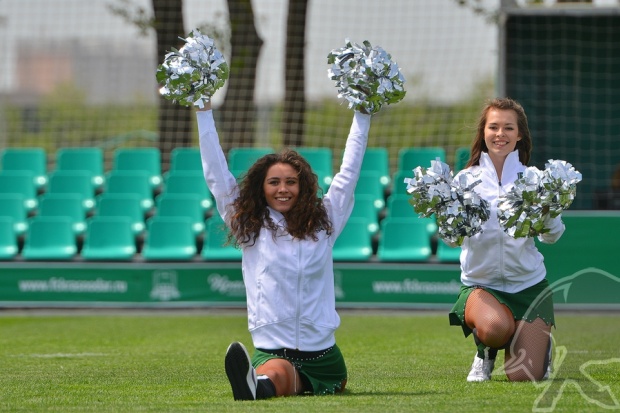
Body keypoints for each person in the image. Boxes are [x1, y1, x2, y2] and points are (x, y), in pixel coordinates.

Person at [196, 101, 371, 400]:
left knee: (296, 379)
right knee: (278, 374)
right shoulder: (249, 226)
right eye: (274, 182)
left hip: (324, 356)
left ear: (303, 187)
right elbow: (217, 177)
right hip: (274, 349)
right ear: (261, 187)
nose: (283, 189)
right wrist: (203, 112)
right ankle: (257, 385)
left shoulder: (325, 221)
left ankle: (260, 384)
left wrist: (363, 115)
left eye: (291, 182)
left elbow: (349, 173)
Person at [447, 97, 565, 382]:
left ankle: (539, 345)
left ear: (519, 134)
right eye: (494, 127)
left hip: (528, 285)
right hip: (481, 285)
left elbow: (552, 236)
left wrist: (548, 213)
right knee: (495, 328)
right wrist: (448, 224)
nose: (500, 134)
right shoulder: (463, 180)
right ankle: (485, 352)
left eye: (508, 128)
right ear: (483, 132)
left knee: (524, 376)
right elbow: (452, 242)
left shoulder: (535, 179)